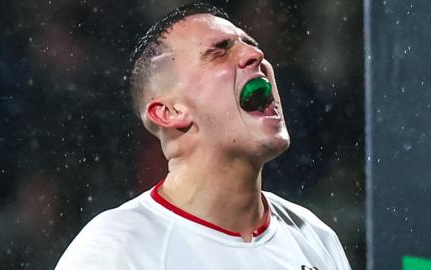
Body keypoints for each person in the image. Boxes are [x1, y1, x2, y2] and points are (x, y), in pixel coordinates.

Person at [55, 3, 351, 270]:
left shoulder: (316, 238)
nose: (256, 54)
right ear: (168, 112)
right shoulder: (116, 250)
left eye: (250, 44)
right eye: (220, 50)